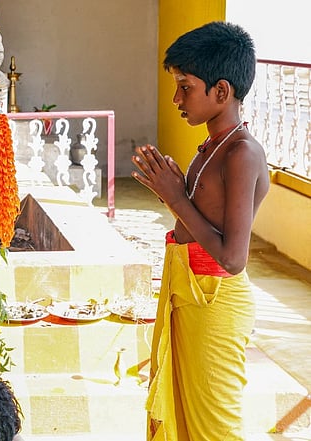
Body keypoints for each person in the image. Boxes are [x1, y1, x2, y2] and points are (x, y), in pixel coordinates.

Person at [131, 21, 269, 441]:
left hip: (215, 300)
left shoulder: (242, 153)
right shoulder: (211, 147)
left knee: (214, 429)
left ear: (221, 92)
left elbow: (232, 257)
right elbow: (199, 222)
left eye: (185, 87)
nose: (176, 99)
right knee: (182, 420)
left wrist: (176, 198)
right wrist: (171, 194)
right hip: (191, 292)